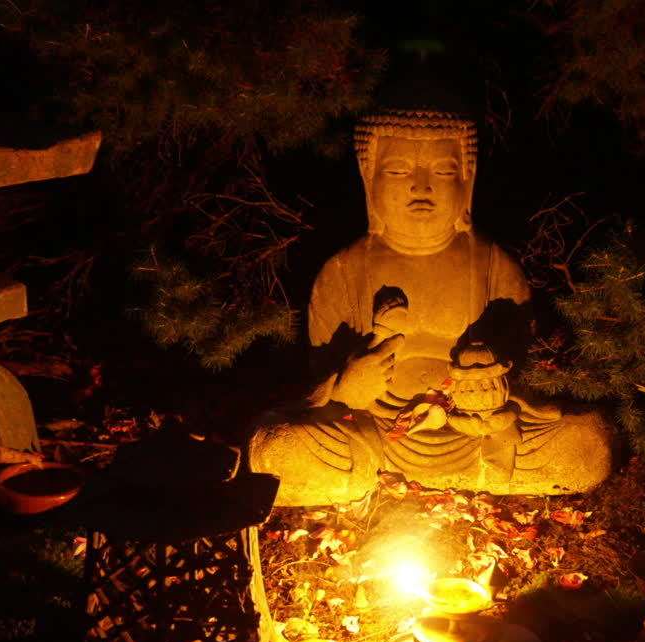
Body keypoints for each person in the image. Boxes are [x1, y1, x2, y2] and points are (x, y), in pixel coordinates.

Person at [249, 109, 611, 506]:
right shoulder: (344, 270)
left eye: (442, 173)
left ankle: (400, 479)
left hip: (477, 433)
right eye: (399, 172)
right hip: (374, 432)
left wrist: (486, 396)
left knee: (588, 444)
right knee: (275, 447)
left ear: (467, 182)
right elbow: (316, 383)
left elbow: (519, 369)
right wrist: (345, 387)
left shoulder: (493, 265)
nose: (421, 188)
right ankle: (381, 473)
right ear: (369, 181)